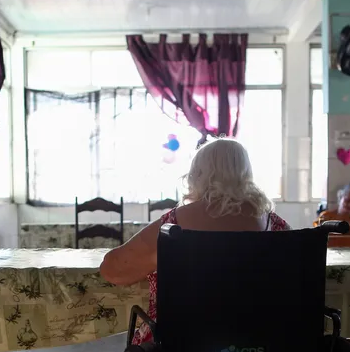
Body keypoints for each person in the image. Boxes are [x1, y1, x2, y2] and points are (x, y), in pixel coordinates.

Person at [100, 138, 290, 339]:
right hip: (264, 345)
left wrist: (165, 258)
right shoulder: (274, 225)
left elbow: (112, 270)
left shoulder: (175, 223)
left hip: (182, 347)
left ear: (198, 175)